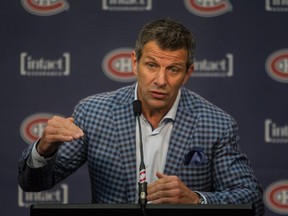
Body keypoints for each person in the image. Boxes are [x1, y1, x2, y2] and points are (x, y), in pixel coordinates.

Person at [18, 18, 264, 215]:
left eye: (173, 70)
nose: (160, 80)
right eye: (152, 65)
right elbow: (33, 183)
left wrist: (196, 199)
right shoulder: (94, 112)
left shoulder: (216, 124)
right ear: (134, 63)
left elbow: (251, 199)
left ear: (188, 73)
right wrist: (44, 148)